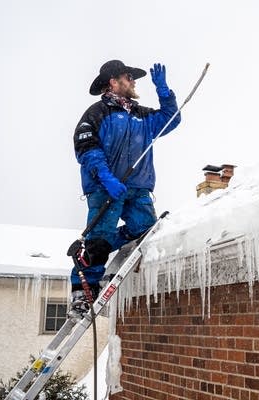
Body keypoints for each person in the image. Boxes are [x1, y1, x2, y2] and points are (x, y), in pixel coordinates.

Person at [70, 59, 181, 315]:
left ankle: (101, 246)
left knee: (144, 229)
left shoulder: (143, 116)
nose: (133, 82)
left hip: (138, 189)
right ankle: (82, 294)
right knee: (99, 240)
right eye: (128, 77)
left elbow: (171, 119)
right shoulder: (97, 113)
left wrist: (164, 92)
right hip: (105, 188)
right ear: (114, 82)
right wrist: (107, 178)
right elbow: (86, 148)